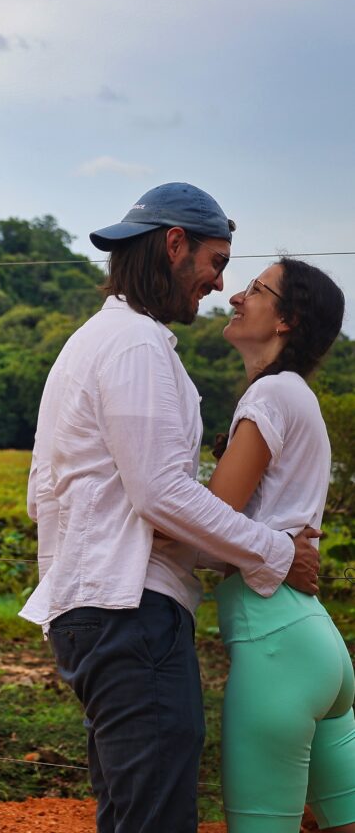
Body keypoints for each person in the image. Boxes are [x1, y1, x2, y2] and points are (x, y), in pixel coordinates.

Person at [19, 182, 320, 833]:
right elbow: (160, 494)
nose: (216, 286)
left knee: (133, 813)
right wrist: (275, 551)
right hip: (132, 615)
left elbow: (41, 494)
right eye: (215, 263)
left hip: (95, 607)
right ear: (174, 245)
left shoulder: (92, 343)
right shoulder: (136, 346)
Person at [205, 258, 354, 832]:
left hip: (275, 647)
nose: (237, 296)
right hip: (317, 646)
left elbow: (207, 521)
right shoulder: (298, 396)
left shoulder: (269, 397)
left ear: (287, 319)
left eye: (255, 289)